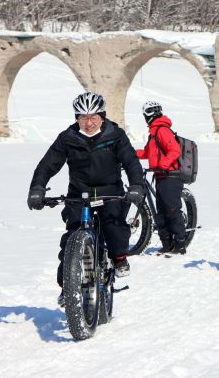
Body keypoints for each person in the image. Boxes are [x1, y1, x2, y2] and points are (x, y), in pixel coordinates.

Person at [27, 92, 145, 307]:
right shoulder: (67, 138)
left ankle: (119, 259)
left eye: (93, 117)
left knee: (114, 227)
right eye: (83, 118)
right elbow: (48, 164)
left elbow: (131, 162)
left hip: (110, 191)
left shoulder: (115, 135)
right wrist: (37, 188)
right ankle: (67, 287)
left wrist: (136, 185)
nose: (88, 123)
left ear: (102, 116)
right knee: (71, 238)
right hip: (79, 193)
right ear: (76, 118)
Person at [136, 101, 188, 254]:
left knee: (172, 210)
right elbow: (147, 153)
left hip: (170, 176)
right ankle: (167, 243)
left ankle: (180, 244)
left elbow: (174, 150)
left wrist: (164, 164)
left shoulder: (162, 130)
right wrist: (129, 154)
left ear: (147, 115)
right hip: (161, 176)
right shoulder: (154, 132)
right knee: (161, 212)